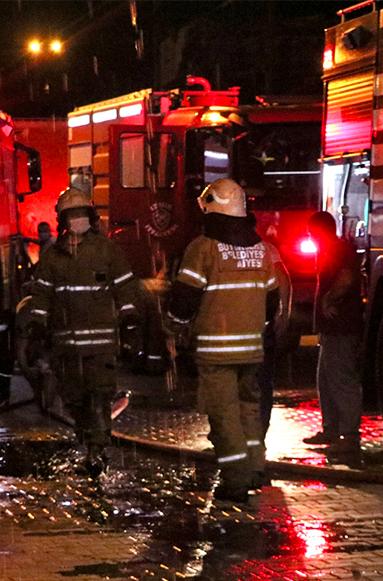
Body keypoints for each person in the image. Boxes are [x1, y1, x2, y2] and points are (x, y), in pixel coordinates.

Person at [165, 178, 280, 503]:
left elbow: (184, 299)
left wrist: (172, 327)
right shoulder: (260, 251)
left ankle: (235, 481)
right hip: (252, 350)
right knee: (248, 410)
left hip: (217, 352)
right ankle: (256, 469)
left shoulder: (203, 249)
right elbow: (272, 301)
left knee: (224, 415)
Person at [26, 188, 139, 477]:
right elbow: (41, 298)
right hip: (67, 350)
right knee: (74, 400)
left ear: (90, 216)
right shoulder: (52, 258)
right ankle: (87, 437)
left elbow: (125, 288)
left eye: (81, 214)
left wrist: (130, 321)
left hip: (101, 349)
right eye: (72, 214)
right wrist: (37, 329)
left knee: (100, 397)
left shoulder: (107, 250)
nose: (77, 219)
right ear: (62, 220)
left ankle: (96, 451)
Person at [302, 211, 364, 456]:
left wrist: (329, 299)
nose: (310, 237)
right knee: (326, 380)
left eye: (311, 233)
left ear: (320, 231)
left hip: (341, 328)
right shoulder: (332, 250)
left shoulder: (339, 250)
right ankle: (331, 429)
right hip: (332, 330)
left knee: (341, 381)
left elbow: (347, 278)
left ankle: (349, 435)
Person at [258, 238, 291, 440]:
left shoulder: (219, 248)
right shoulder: (267, 249)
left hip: (231, 328)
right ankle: (259, 432)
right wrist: (284, 312)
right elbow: (283, 278)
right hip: (262, 325)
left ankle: (234, 435)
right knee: (263, 382)